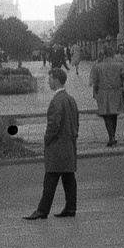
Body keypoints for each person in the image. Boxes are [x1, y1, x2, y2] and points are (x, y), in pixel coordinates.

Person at [26, 67, 78, 219]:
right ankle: (70, 208)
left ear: (56, 80)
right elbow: (76, 121)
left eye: (49, 79)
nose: (48, 82)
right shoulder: (70, 99)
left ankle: (42, 210)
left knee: (50, 179)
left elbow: (54, 125)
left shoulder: (56, 101)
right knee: (69, 178)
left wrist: (47, 139)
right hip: (68, 145)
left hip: (57, 146)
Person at [91, 49, 124, 146]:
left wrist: (95, 93)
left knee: (106, 115)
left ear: (105, 55)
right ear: (113, 55)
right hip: (116, 92)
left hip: (103, 92)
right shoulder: (119, 65)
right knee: (114, 114)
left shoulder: (98, 66)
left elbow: (95, 82)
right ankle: (113, 135)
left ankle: (111, 137)